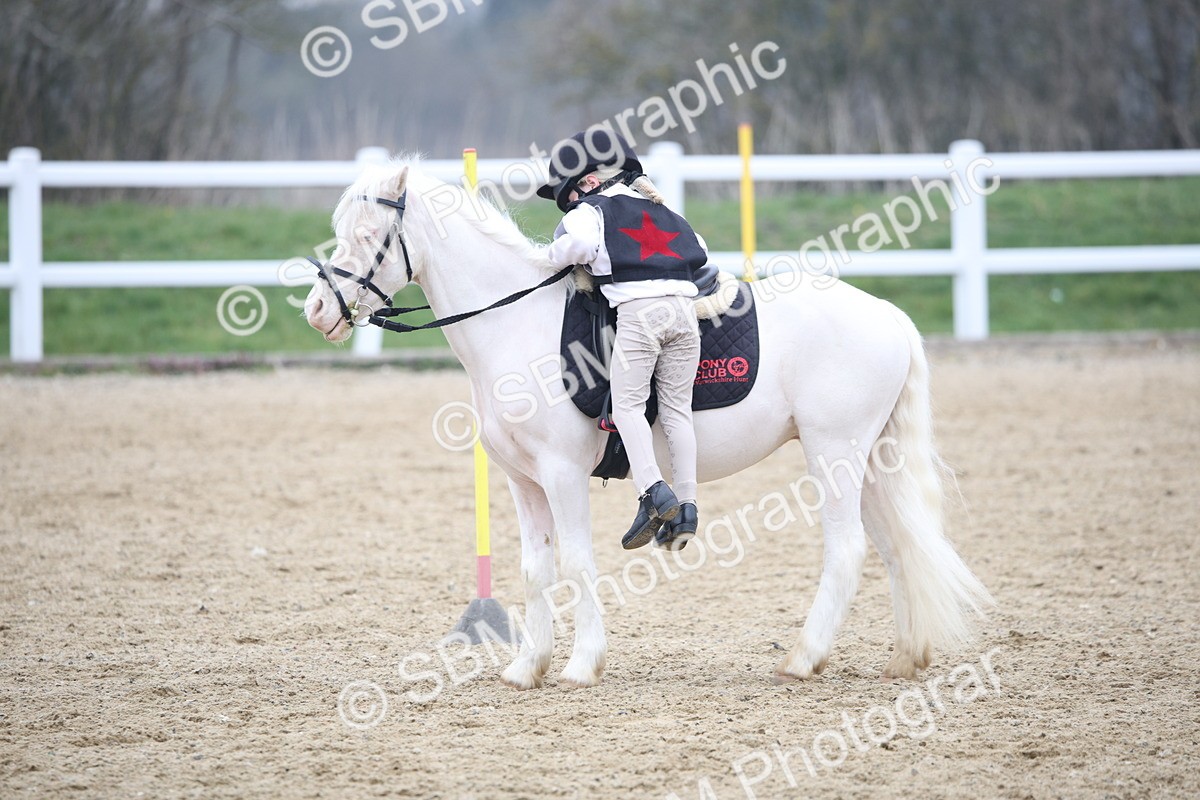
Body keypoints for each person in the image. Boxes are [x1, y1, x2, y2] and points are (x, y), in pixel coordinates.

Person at [538, 128, 706, 551]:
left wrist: (548, 256)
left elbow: (573, 244)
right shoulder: (663, 209)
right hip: (685, 316)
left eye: (569, 195)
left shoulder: (589, 210)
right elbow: (700, 250)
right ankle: (687, 504)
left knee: (628, 405)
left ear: (589, 182)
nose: (569, 203)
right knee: (677, 411)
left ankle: (652, 490)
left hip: (639, 314)